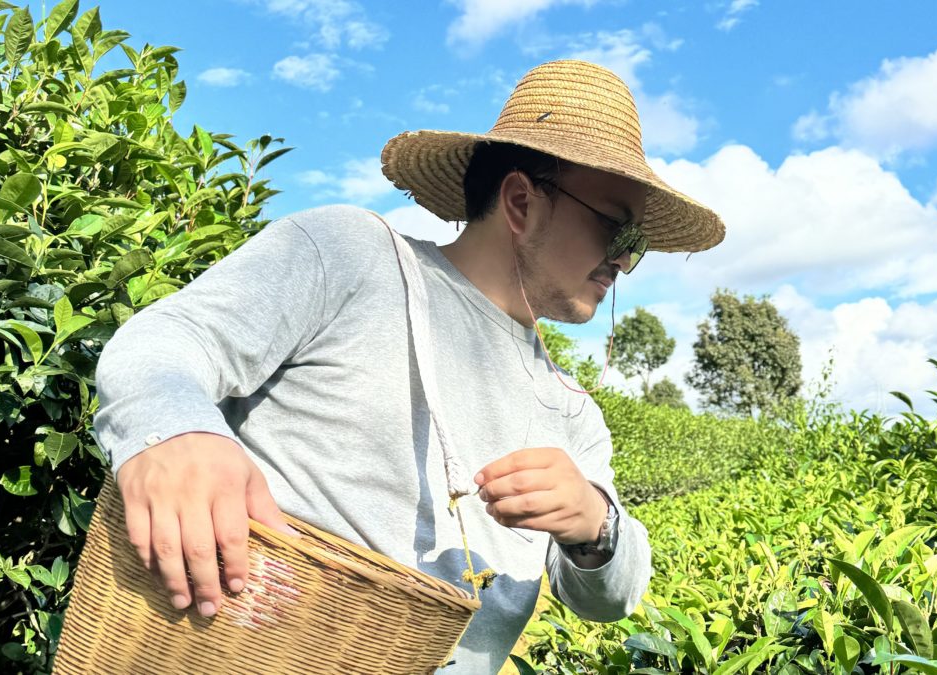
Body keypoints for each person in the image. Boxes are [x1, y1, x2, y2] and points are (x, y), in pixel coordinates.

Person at [93, 59, 726, 673]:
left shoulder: (573, 414)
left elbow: (609, 598)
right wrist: (174, 432)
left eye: (635, 246)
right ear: (520, 200)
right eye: (617, 230)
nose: (623, 261)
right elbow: (168, 342)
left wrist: (595, 524)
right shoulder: (354, 256)